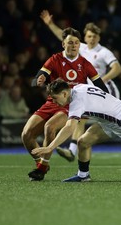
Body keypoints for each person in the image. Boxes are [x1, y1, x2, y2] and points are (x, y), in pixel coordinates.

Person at [21, 27, 108, 181]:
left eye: (76, 43)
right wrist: (39, 80)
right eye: (70, 43)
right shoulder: (54, 59)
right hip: (51, 103)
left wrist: (105, 102)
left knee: (50, 127)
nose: (73, 45)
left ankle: (41, 169)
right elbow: (37, 78)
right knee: (26, 135)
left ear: (79, 45)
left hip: (70, 105)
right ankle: (42, 163)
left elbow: (101, 85)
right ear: (63, 44)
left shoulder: (85, 63)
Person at [40, 10, 121, 162]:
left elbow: (117, 68)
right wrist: (50, 24)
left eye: (95, 36)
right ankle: (74, 152)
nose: (92, 39)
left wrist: (102, 80)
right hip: (85, 91)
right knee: (79, 118)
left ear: (99, 37)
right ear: (84, 37)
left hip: (102, 90)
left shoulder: (104, 52)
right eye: (89, 36)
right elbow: (62, 36)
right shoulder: (80, 47)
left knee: (113, 121)